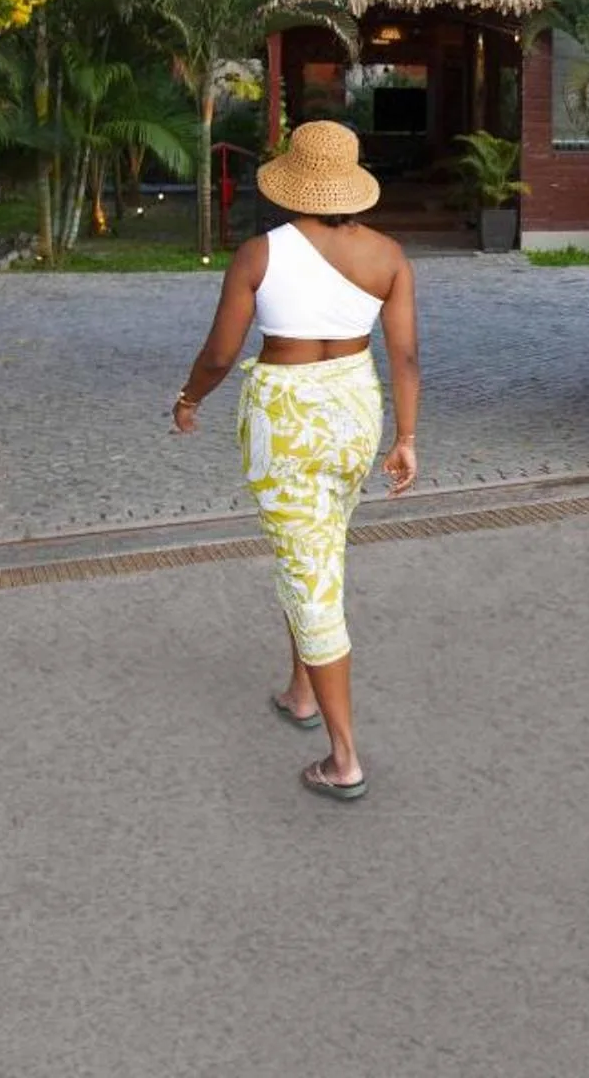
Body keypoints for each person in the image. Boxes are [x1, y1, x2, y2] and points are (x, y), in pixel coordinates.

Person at [171, 120, 420, 802]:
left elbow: (221, 353)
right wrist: (406, 438)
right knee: (313, 550)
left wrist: (189, 398)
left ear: (292, 183)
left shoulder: (260, 253)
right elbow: (403, 357)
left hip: (284, 418)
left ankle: (344, 760)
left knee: (309, 572)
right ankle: (300, 691)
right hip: (353, 411)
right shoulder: (389, 256)